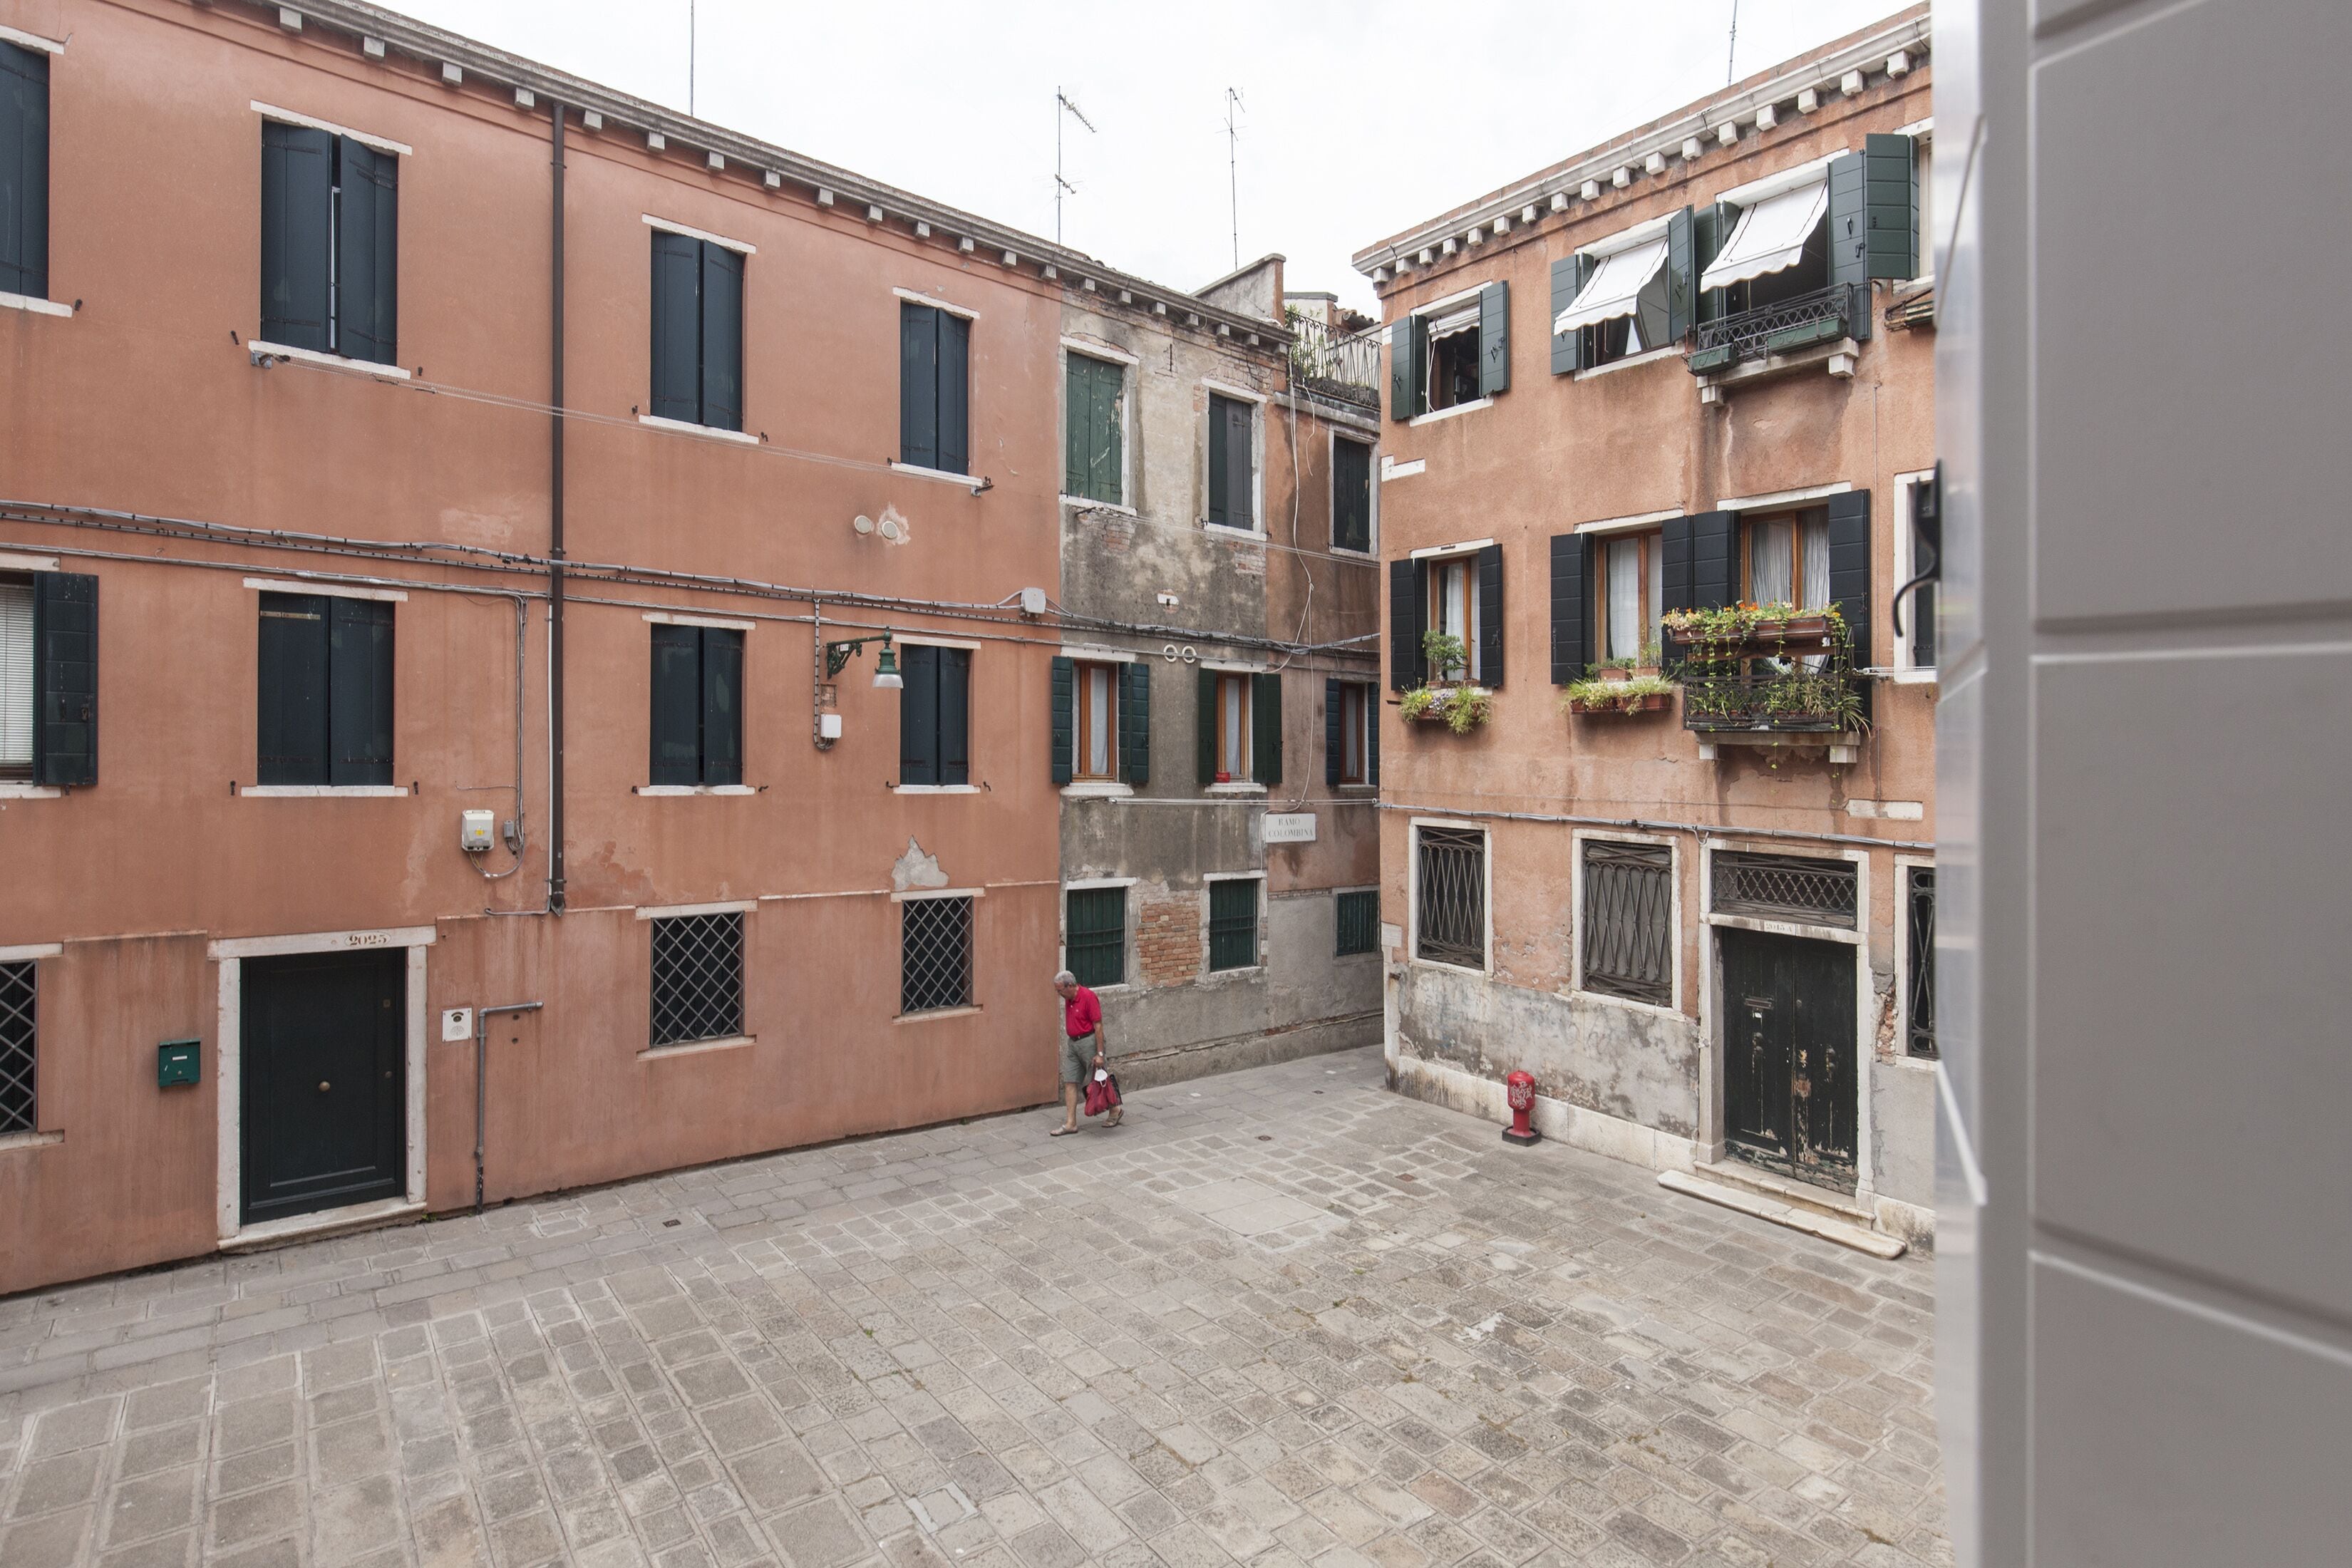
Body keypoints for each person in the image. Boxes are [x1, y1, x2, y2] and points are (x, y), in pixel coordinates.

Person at [1051, 969, 1119, 1135]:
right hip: (1073, 1044)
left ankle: (1115, 1109)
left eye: (1060, 990)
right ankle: (1071, 1123)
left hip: (1089, 1042)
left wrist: (1100, 1053)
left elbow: (1099, 1026)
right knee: (1070, 1081)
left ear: (1071, 986)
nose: (1058, 994)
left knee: (1099, 1079)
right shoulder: (1069, 998)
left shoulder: (1088, 997)